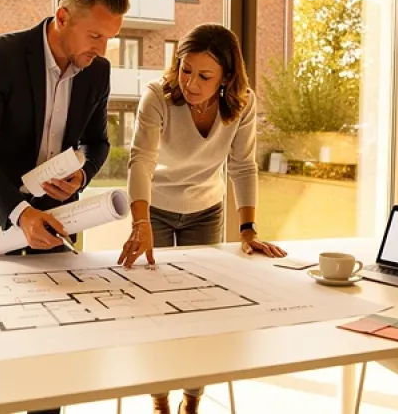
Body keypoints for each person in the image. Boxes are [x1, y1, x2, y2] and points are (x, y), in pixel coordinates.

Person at [0, 0, 128, 414]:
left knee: (53, 341)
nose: (101, 50)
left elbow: (97, 143)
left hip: (59, 216)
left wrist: (82, 176)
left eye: (109, 40)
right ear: (62, 17)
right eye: (95, 36)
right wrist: (20, 213)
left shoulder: (97, 72)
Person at [117, 23, 287, 414]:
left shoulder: (242, 104)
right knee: (153, 308)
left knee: (203, 309)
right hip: (155, 209)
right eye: (185, 69)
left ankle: (191, 400)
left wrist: (247, 229)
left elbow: (242, 166)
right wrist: (139, 223)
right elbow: (140, 160)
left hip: (205, 211)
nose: (191, 82)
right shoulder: (158, 97)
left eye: (204, 76)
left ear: (227, 78)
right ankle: (159, 398)